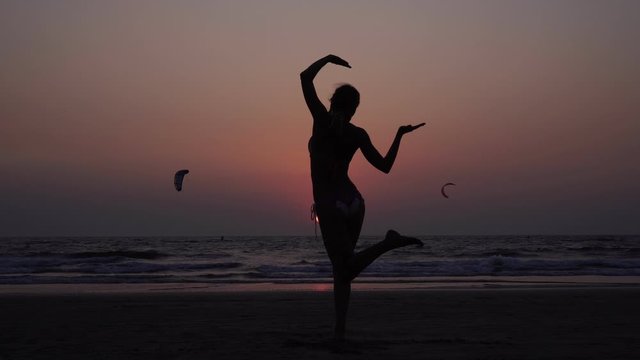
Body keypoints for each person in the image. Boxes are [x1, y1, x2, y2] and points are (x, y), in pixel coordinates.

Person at [300, 54, 425, 340]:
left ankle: (388, 243)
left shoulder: (321, 120)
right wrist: (399, 135)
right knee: (343, 270)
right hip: (354, 202)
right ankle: (340, 329)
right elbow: (385, 167)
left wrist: (328, 59)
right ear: (354, 108)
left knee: (344, 268)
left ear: (332, 101)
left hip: (330, 204)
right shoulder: (357, 133)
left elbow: (304, 78)